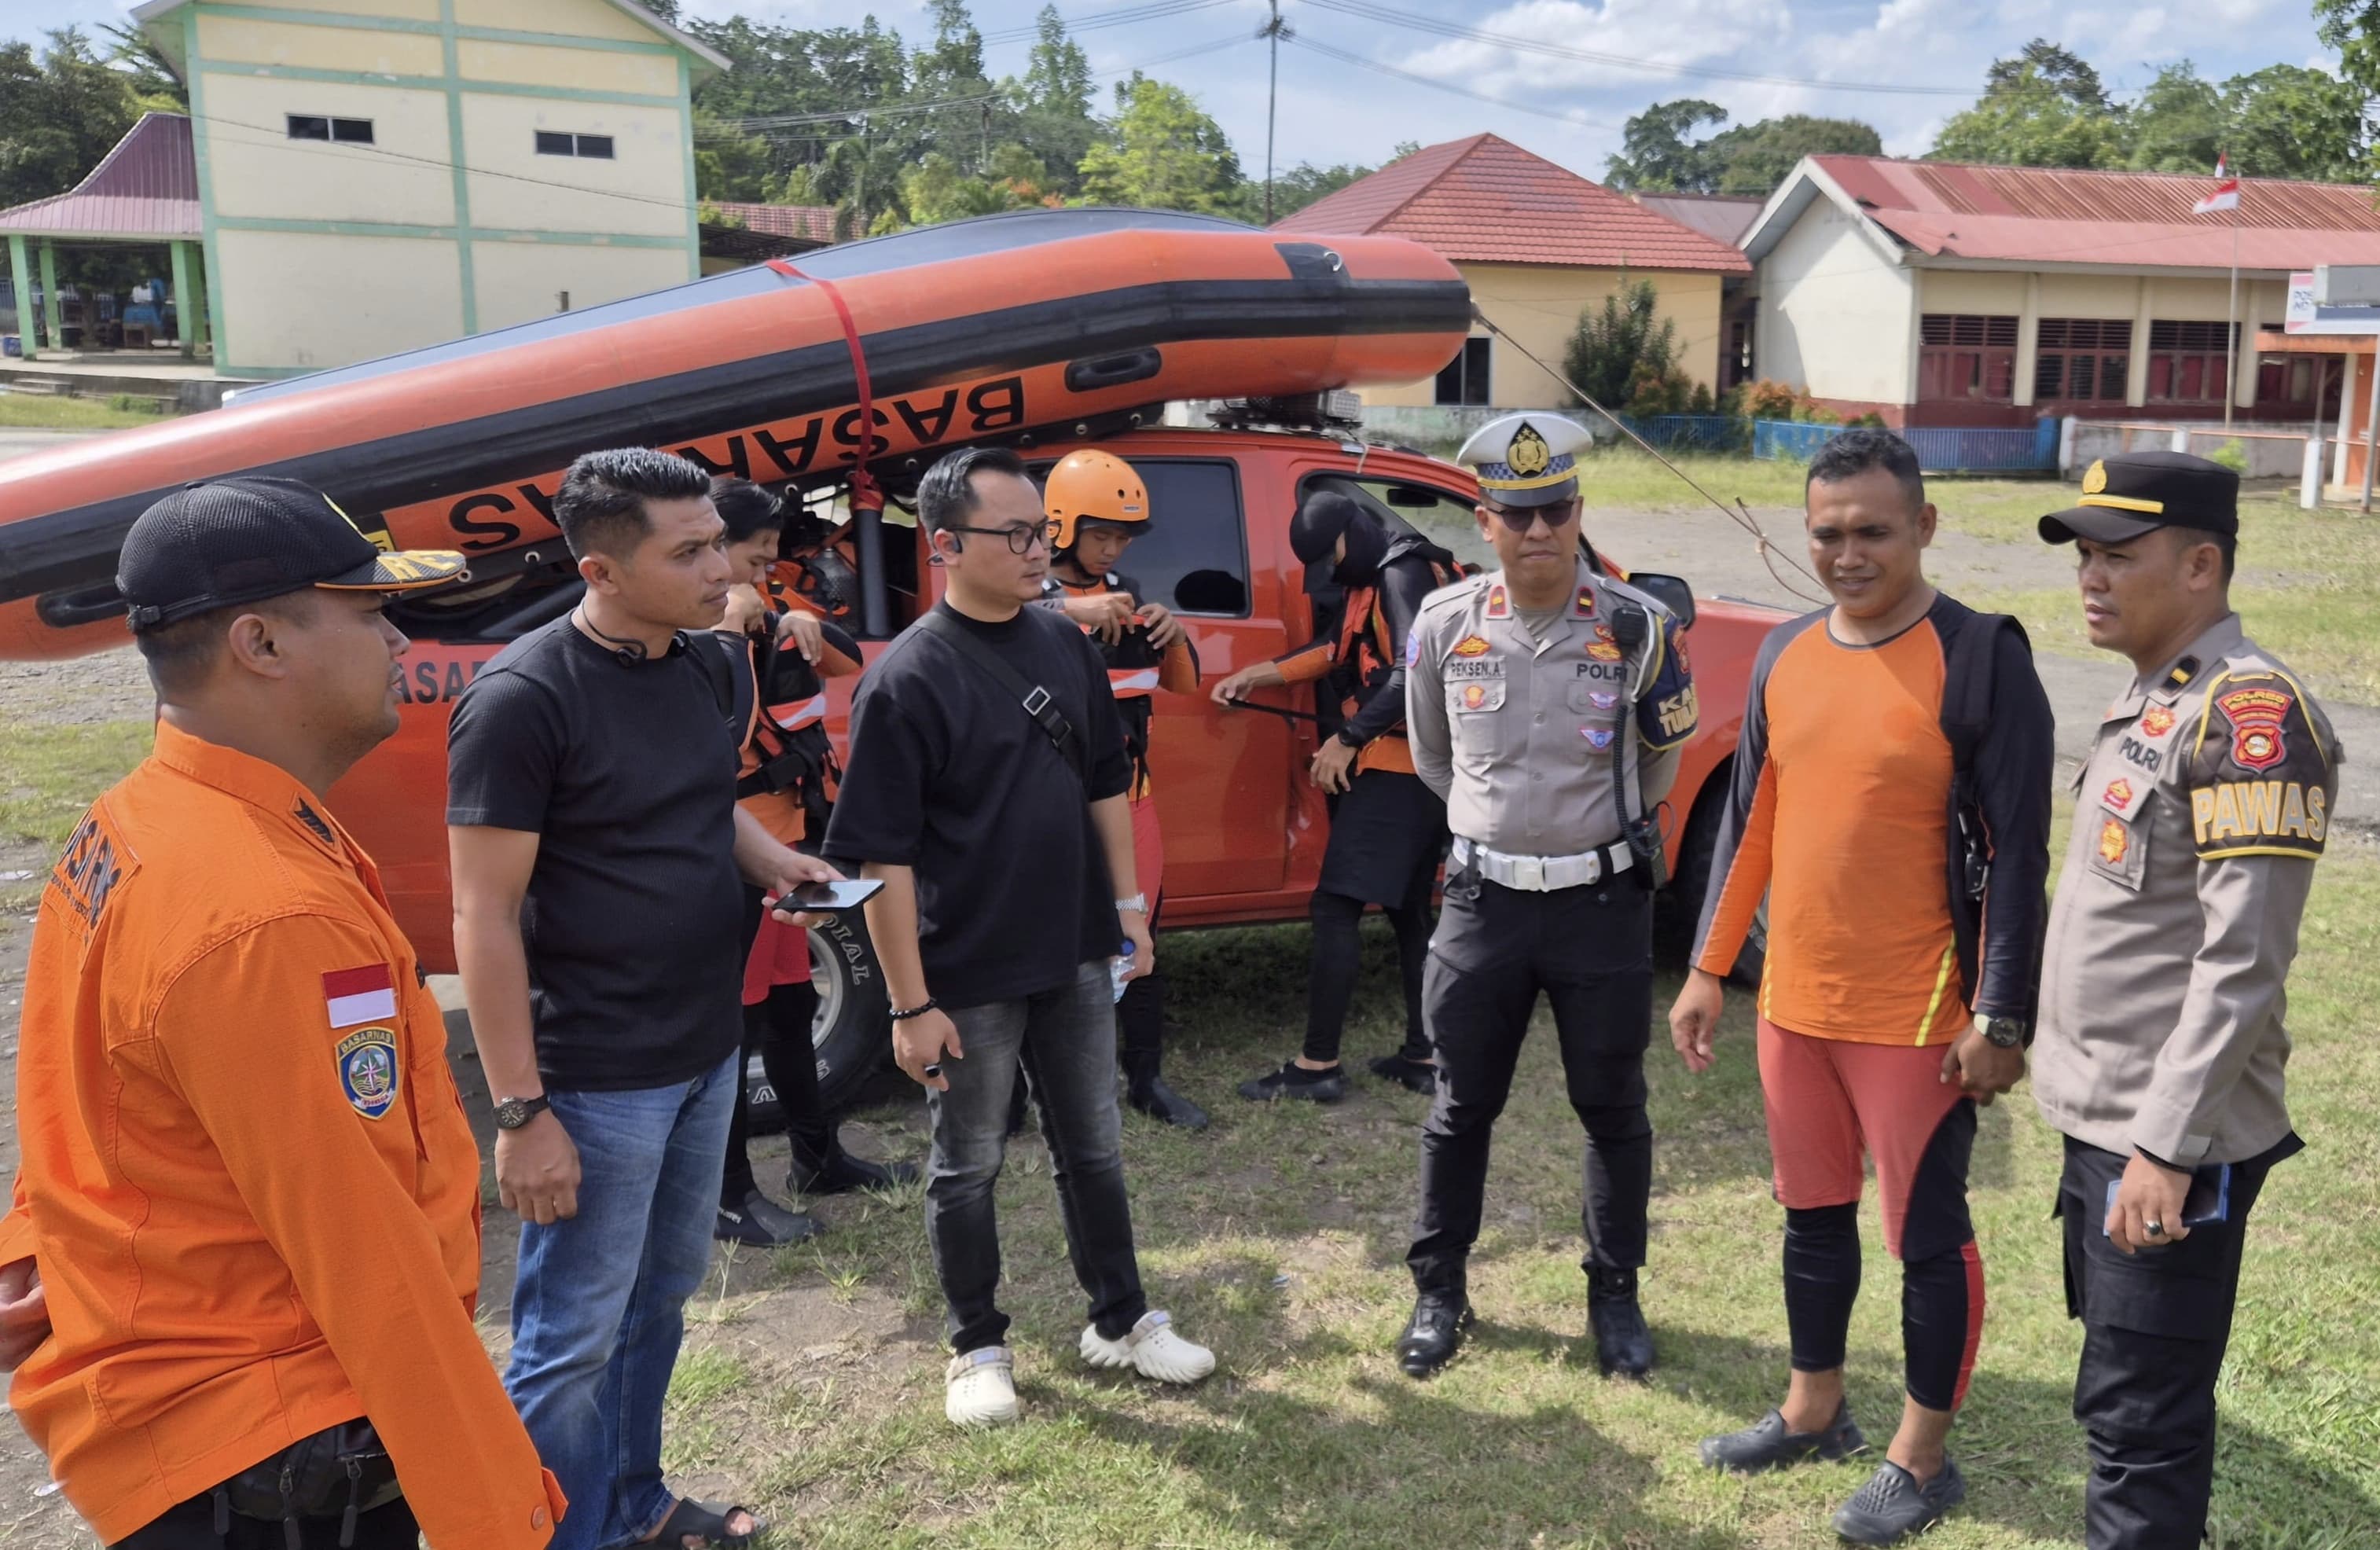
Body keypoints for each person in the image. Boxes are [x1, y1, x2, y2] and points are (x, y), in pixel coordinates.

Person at [0, 477, 560, 1546]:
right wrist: (503, 1516)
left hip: (208, 1422)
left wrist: (32, 1254)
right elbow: (364, 1249)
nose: (397, 639)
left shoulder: (142, 822)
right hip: (276, 1457)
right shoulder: (260, 909)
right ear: (260, 642)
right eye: (365, 610)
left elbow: (74, 1090)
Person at [446, 449, 840, 1550]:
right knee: (569, 1336)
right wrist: (522, 1113)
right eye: (691, 551)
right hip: (596, 1075)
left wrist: (775, 862)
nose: (726, 567)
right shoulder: (522, 700)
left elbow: (703, 804)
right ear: (601, 569)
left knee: (660, 1298)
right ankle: (546, 1535)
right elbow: (481, 917)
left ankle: (631, 1508)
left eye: (718, 539)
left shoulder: (708, 667)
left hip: (707, 1046)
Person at [1670, 428, 2055, 1547]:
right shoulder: (1788, 654)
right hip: (1796, 1007)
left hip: (1920, 1017)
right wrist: (1707, 970)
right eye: (1828, 531)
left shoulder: (1982, 657)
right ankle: (1813, 1408)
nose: (1848, 553)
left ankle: (1921, 1460)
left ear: (1923, 527)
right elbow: (1752, 827)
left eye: (1873, 531)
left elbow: (2021, 851)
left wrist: (2003, 1016)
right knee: (1810, 1219)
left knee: (1926, 1238)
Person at [825, 446, 1215, 1429]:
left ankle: (1120, 1319)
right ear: (945, 543)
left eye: (1041, 528)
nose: (1039, 547)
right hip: (967, 972)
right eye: (1016, 533)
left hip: (1078, 950)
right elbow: (882, 859)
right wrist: (910, 1005)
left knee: (1094, 1148)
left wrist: (1129, 913)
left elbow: (1101, 785)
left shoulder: (1064, 646)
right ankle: (975, 1346)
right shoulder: (906, 679)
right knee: (968, 1162)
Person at [2031, 452, 2336, 1548]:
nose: (2092, 578)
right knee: (2127, 1393)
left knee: (2139, 1424)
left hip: (2165, 1138)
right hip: (2109, 1119)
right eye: (2086, 557)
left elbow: (2242, 961)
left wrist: (2164, 1146)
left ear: (2202, 564)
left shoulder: (2250, 712)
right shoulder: (2162, 691)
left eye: (2121, 555)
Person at [1393, 413, 1698, 1384]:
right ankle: (1439, 1291)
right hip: (1482, 903)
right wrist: (1505, 834)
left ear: (1579, 512)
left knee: (1612, 1107)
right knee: (1458, 1106)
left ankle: (1615, 1294)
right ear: (1484, 520)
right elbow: (1435, 759)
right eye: (1516, 513)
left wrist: (1583, 841)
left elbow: (1661, 763)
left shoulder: (1637, 626)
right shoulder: (1443, 624)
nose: (1538, 531)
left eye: (1555, 510)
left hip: (1598, 907)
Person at [708, 476, 917, 1248]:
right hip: (735, 858)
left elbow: (847, 660)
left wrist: (797, 622)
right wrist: (733, 632)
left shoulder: (771, 608)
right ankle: (728, 1196)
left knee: (793, 1007)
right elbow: (718, 734)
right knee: (731, 1027)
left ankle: (817, 1155)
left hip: (790, 844)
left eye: (771, 548)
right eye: (754, 547)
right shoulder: (700, 630)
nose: (768, 559)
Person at [1211, 489, 1460, 1102]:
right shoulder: (1373, 578)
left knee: (1336, 907)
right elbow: (1337, 649)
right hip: (1423, 772)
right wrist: (1260, 673)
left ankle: (1317, 1067)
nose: (1332, 571)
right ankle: (1425, 1056)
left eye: (1332, 556)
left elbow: (1408, 671)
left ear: (1354, 530)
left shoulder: (1400, 573)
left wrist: (1346, 740)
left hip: (1401, 770)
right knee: (1407, 910)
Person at [1038, 448, 1208, 1129]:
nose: (1112, 550)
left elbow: (1184, 685)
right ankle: (1038, 1086)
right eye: (1100, 534)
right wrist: (1071, 610)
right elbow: (1002, 625)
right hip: (1050, 806)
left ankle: (1146, 1078)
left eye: (1121, 538)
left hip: (1130, 799)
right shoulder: (1026, 597)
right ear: (1060, 526)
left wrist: (1172, 635)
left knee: (1142, 941)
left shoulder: (1127, 595)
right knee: (1047, 943)